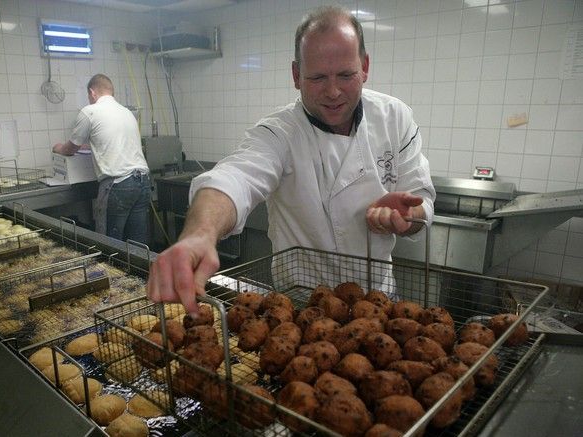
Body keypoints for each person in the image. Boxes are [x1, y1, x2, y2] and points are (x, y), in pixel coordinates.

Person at [147, 5, 436, 316]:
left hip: (378, 303)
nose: (334, 91)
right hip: (300, 309)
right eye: (318, 78)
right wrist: (200, 234)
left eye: (346, 75)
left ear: (364, 67)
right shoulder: (279, 132)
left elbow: (423, 200)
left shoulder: (394, 118)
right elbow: (234, 178)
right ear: (296, 76)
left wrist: (408, 218)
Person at [53, 74, 151, 244]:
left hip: (118, 185)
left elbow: (71, 149)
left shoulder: (90, 111)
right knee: (138, 244)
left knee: (110, 243)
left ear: (92, 93)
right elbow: (111, 141)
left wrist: (59, 148)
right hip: (142, 181)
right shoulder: (127, 112)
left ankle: (111, 271)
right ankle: (140, 270)